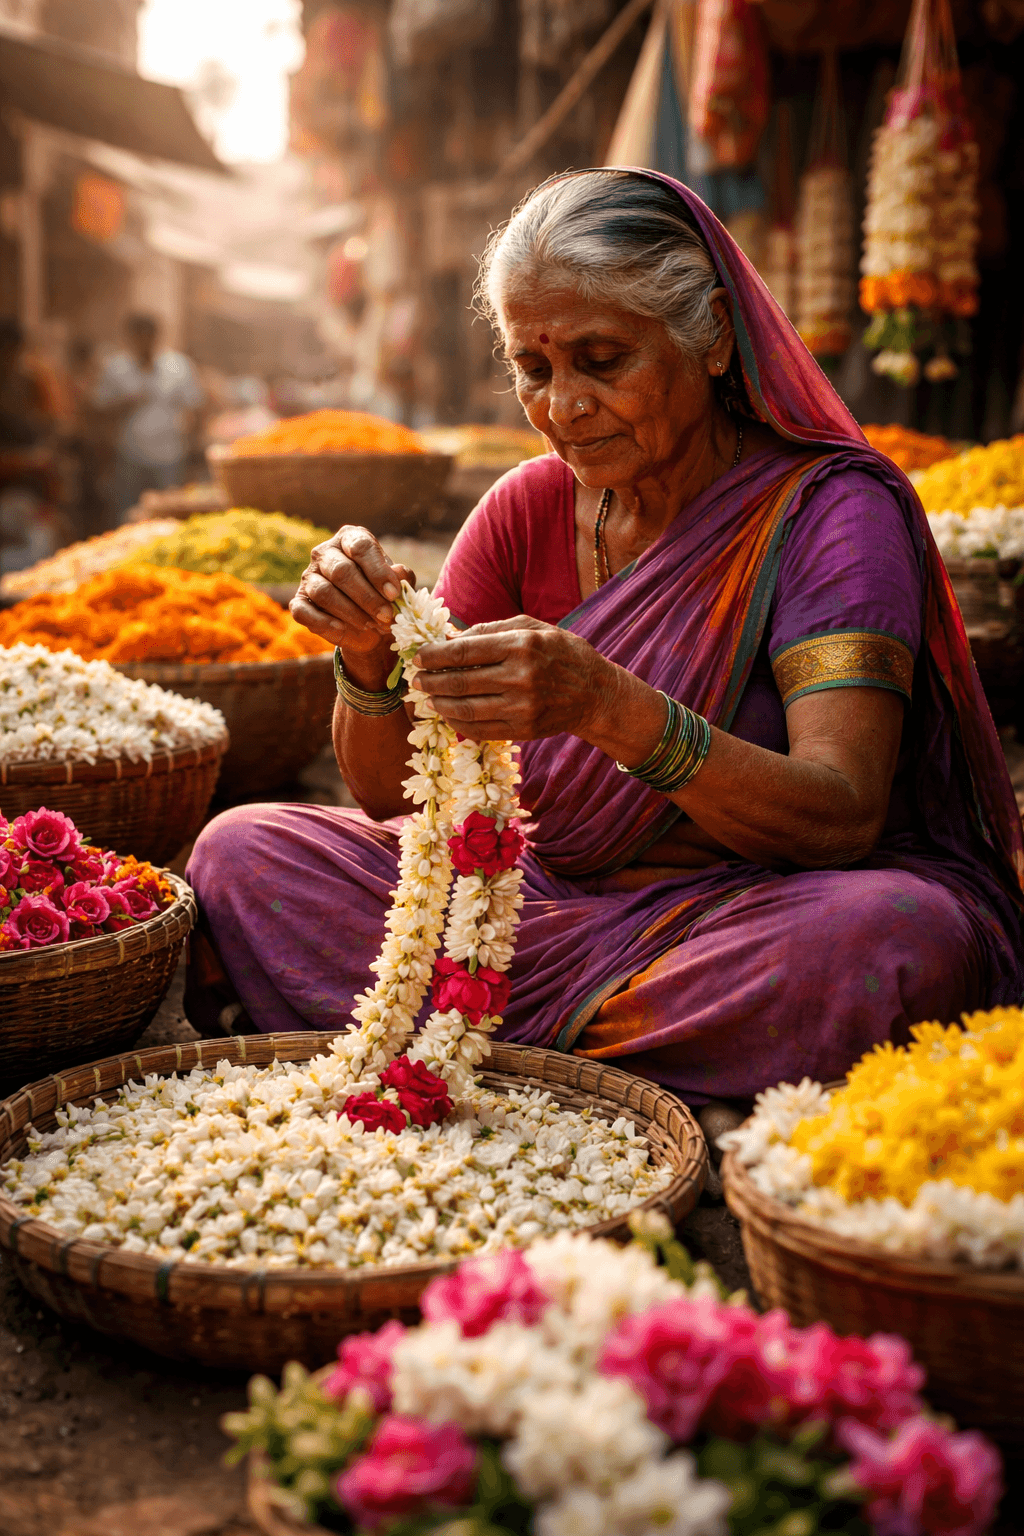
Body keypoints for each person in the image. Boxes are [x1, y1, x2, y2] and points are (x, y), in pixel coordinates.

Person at [185, 170, 1024, 1105]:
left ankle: (486, 1045)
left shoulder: (827, 514)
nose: (563, 407)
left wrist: (611, 709)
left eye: (603, 359)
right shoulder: (526, 509)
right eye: (534, 370)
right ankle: (612, 1065)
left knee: (901, 937)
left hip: (739, 917)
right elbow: (394, 798)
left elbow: (840, 812)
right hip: (520, 907)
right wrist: (368, 657)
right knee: (240, 851)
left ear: (708, 335)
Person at [92, 313, 204, 523]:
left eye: (148, 336)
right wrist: (126, 402)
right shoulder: (116, 367)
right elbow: (100, 408)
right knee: (126, 514)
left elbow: (195, 406)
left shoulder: (178, 366)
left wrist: (193, 449)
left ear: (156, 337)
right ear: (130, 338)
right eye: (138, 336)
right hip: (129, 453)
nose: (143, 342)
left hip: (169, 455)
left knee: (170, 514)